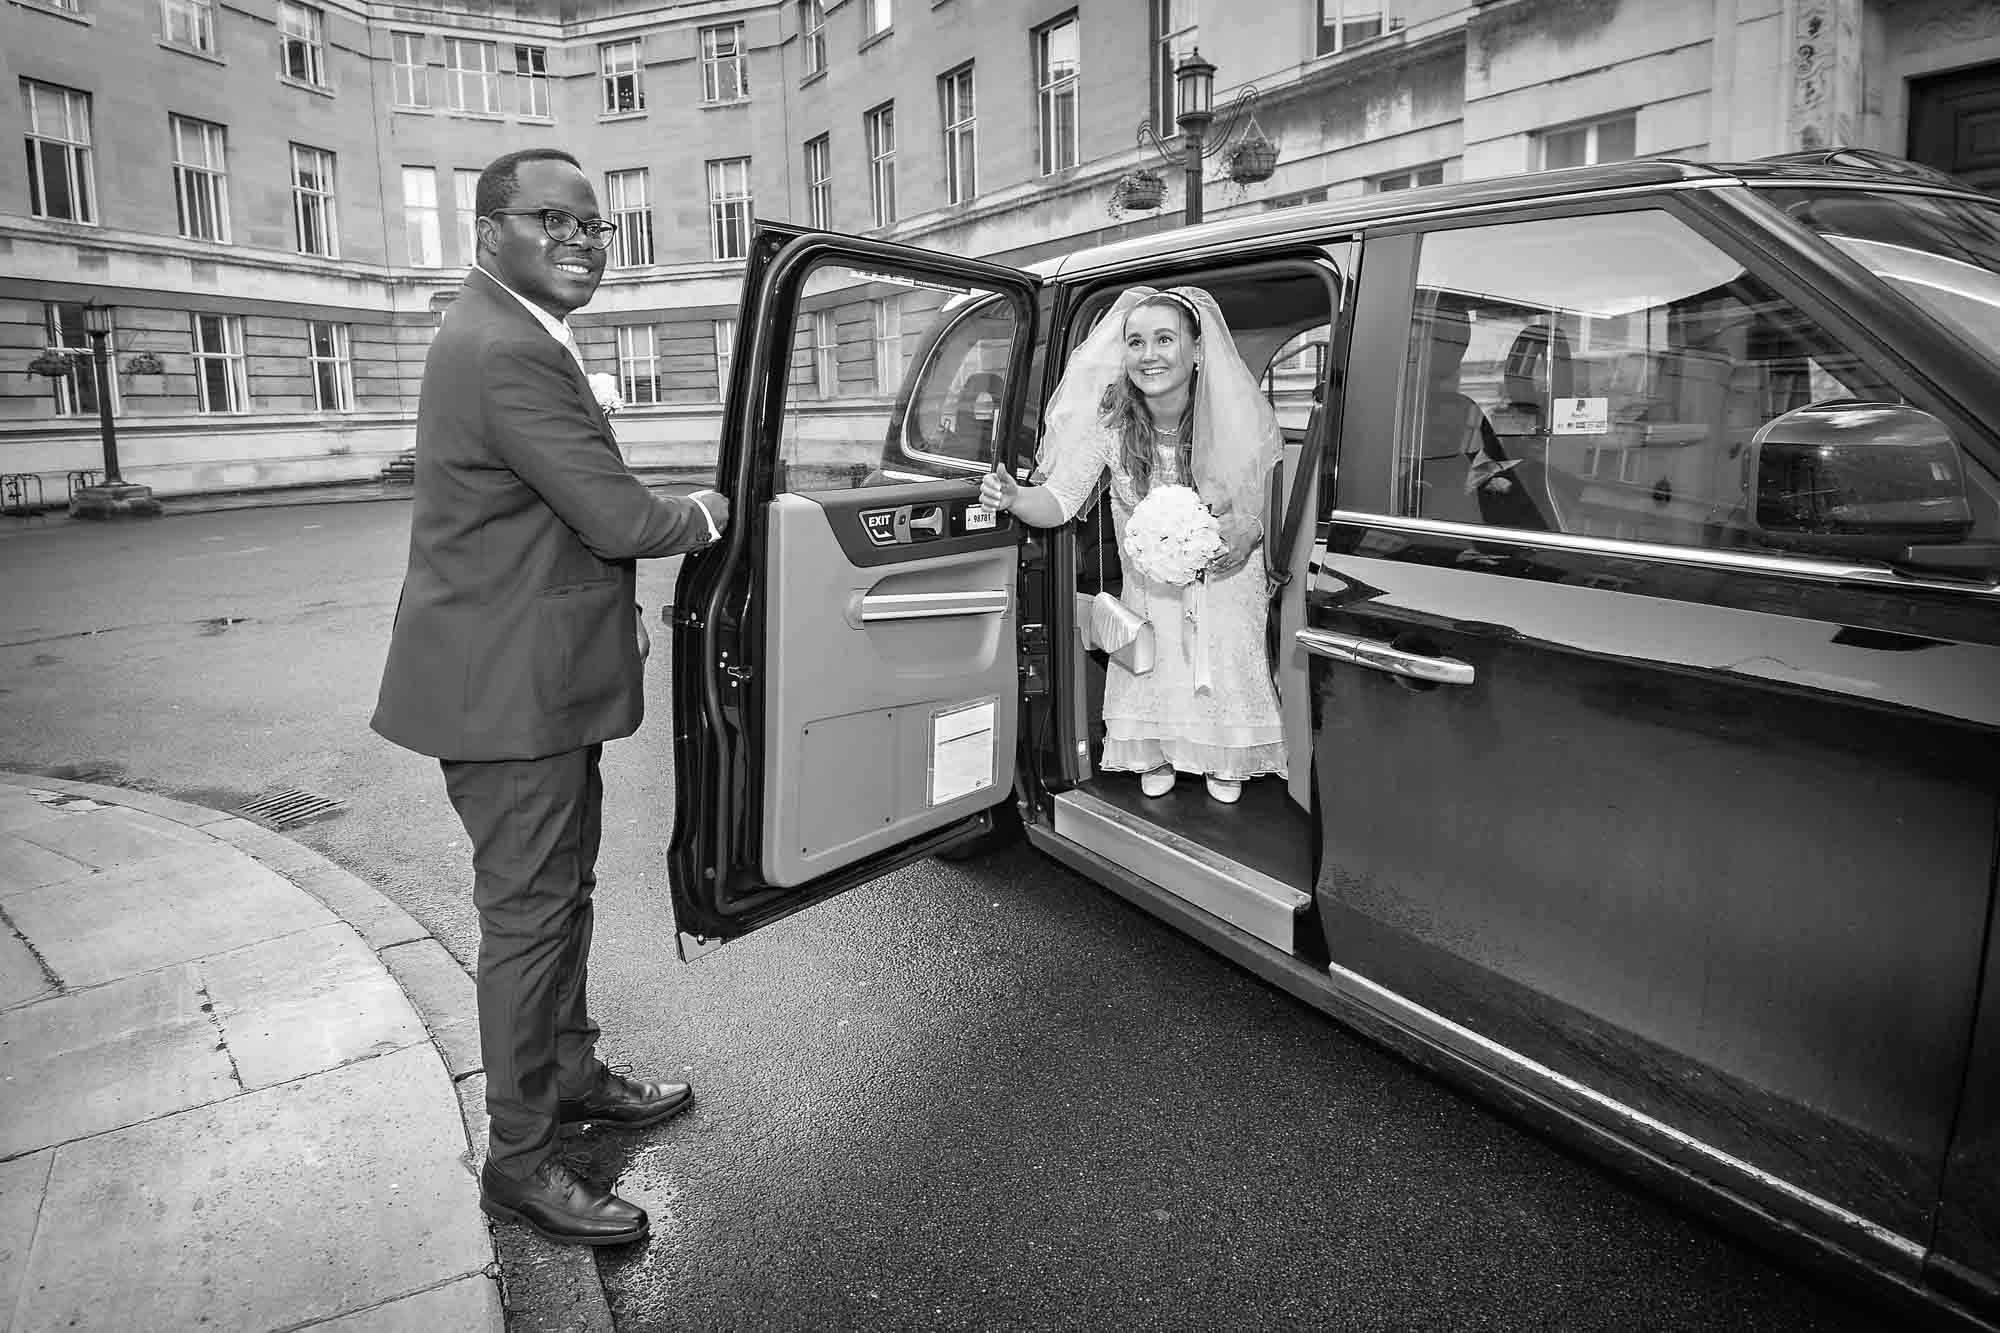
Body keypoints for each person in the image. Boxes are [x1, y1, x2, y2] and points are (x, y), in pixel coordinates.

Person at [371, 147, 729, 1248]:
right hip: (505, 698)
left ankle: (568, 1072)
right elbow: (620, 519)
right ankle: (519, 1161)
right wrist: (715, 512)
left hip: (532, 687)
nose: (580, 238)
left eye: (594, 224)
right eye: (553, 220)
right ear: (490, 232)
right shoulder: (501, 348)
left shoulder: (511, 333)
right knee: (527, 919)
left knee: (559, 894)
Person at [979, 286, 1285, 803]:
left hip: (1226, 580)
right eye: (1136, 342)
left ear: (1196, 351)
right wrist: (1014, 498)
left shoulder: (1237, 416)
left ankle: (1223, 754)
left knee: (1223, 644)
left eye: (1164, 339)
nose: (1149, 355)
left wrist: (1247, 531)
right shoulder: (1112, 427)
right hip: (1151, 584)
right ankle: (1157, 747)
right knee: (1157, 651)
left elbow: (1262, 509)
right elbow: (1058, 501)